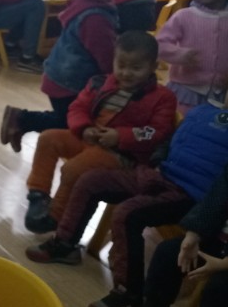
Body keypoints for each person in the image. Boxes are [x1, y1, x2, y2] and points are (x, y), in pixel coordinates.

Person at [25, 97, 228, 307]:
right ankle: (65, 244)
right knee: (91, 180)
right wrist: (157, 161)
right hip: (158, 175)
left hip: (192, 196)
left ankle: (129, 295)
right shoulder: (201, 111)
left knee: (127, 214)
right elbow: (169, 141)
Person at [24, 31, 177, 234]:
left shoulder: (163, 97)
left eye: (136, 68)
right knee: (48, 138)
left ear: (153, 67)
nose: (126, 73)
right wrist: (84, 127)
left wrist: (120, 136)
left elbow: (157, 132)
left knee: (73, 169)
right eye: (121, 65)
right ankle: (38, 194)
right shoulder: (100, 82)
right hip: (91, 139)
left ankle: (55, 216)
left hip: (121, 154)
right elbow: (77, 108)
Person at [0, 0, 120, 152]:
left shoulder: (87, 1)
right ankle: (22, 119)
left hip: (60, 75)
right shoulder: (95, 17)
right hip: (69, 82)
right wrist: (118, 79)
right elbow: (105, 57)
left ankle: (20, 120)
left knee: (68, 118)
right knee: (73, 123)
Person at [120, 162, 228, 307]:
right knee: (169, 253)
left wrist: (223, 264)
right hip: (220, 241)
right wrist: (194, 234)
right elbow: (216, 197)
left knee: (221, 289)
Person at [156, 0, 228, 115]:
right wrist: (178, 54)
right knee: (183, 125)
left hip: (221, 94)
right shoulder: (184, 16)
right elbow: (159, 44)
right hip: (186, 89)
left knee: (214, 126)